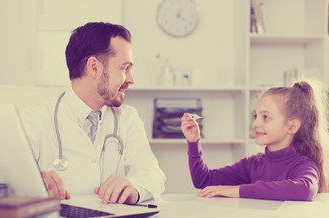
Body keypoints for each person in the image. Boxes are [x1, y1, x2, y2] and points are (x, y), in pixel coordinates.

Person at [21, 22, 165, 204]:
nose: (131, 79)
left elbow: (153, 175)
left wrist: (134, 189)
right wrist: (33, 187)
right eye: (125, 68)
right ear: (94, 67)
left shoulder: (128, 118)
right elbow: (7, 181)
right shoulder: (35, 121)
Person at [181, 80, 328, 201]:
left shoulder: (303, 165)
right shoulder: (253, 164)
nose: (256, 124)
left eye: (266, 117)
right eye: (255, 116)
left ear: (292, 126)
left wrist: (239, 190)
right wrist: (194, 142)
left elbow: (303, 190)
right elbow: (203, 180)